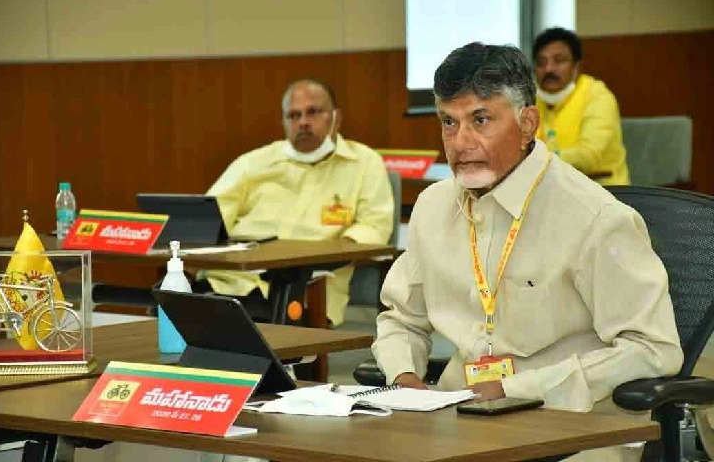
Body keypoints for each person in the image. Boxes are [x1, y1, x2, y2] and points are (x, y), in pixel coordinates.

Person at [371, 42, 682, 461]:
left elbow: (653, 350)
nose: (460, 142)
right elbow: (401, 318)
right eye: (449, 122)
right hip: (460, 415)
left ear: (527, 123)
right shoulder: (432, 206)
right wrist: (404, 375)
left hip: (575, 424)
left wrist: (515, 388)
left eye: (480, 120)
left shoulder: (595, 217)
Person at [199, 79, 394, 327]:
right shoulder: (255, 162)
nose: (303, 122)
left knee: (243, 332)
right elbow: (207, 219)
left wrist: (330, 253)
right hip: (231, 281)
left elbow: (375, 226)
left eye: (313, 112)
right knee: (174, 308)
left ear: (336, 118)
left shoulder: (364, 164)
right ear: (284, 122)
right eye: (294, 115)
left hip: (306, 291)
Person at [533, 27, 630, 185]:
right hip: (550, 189)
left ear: (576, 66)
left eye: (559, 60)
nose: (548, 69)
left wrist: (534, 160)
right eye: (541, 63)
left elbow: (589, 156)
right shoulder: (530, 100)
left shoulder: (597, 96)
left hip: (602, 190)